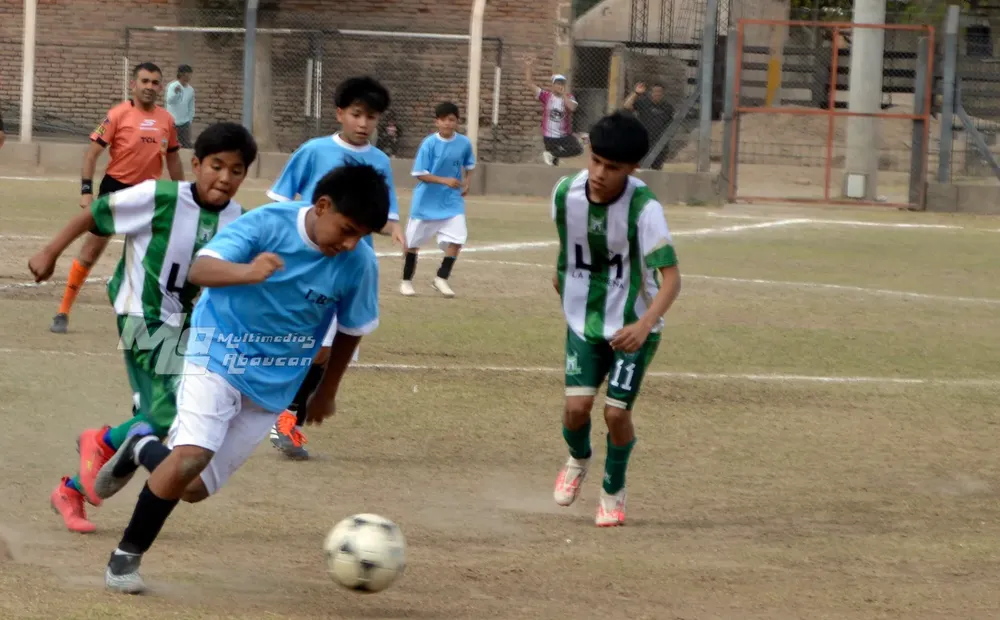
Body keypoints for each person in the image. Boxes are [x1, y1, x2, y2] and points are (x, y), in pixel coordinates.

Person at [94, 163, 389, 594]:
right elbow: (201, 269)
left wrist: (327, 390)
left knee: (192, 487)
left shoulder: (357, 262)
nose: (350, 243)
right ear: (322, 206)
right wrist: (247, 272)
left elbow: (350, 328)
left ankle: (142, 446)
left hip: (273, 384)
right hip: (215, 352)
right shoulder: (267, 225)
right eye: (346, 229)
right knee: (192, 455)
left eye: (361, 235)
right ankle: (125, 558)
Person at [29, 123, 257, 533]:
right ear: (196, 164)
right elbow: (96, 214)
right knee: (171, 411)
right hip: (142, 315)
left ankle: (73, 489)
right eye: (216, 166)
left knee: (165, 419)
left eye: (236, 170)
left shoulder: (240, 221)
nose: (224, 178)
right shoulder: (161, 197)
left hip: (188, 328)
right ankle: (100, 442)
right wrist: (49, 251)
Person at [549, 112, 682, 527]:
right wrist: (561, 282)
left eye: (613, 168)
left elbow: (672, 280)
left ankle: (613, 489)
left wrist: (644, 326)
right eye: (596, 161)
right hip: (583, 322)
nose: (599, 174)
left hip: (632, 328)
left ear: (633, 169)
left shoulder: (645, 210)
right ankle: (578, 458)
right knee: (576, 410)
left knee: (615, 414)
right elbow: (567, 249)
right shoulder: (564, 194)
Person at [265, 75, 403, 459]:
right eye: (356, 114)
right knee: (316, 351)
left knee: (327, 352)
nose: (363, 124)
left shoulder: (380, 162)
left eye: (371, 117)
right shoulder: (313, 151)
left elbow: (384, 215)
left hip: (351, 267)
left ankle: (286, 419)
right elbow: (280, 200)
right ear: (340, 113)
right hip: (311, 263)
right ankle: (284, 419)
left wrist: (395, 228)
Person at [51, 62, 184, 335]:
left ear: (161, 87)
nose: (149, 87)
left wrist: (184, 195)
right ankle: (63, 311)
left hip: (149, 195)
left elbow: (173, 158)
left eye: (155, 82)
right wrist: (86, 191)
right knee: (91, 251)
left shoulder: (167, 120)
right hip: (115, 190)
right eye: (144, 81)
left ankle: (149, 317)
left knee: (153, 255)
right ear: (133, 85)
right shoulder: (116, 115)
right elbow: (91, 155)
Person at [400, 101, 476, 298]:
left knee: (458, 238)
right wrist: (444, 180)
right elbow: (419, 173)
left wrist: (467, 182)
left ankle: (441, 278)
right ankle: (406, 280)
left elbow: (470, 165)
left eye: (452, 120)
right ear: (437, 122)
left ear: (457, 122)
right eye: (444, 120)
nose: (448, 124)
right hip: (426, 201)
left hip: (451, 201)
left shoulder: (464, 143)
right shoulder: (429, 144)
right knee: (413, 243)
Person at [524, 56, 582, 166]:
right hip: (549, 136)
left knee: (577, 149)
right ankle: (552, 158)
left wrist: (564, 94)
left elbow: (572, 107)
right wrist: (528, 67)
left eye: (562, 84)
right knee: (553, 163)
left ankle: (551, 154)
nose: (560, 85)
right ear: (553, 85)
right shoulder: (546, 96)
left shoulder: (569, 96)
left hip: (564, 136)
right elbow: (529, 84)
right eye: (558, 83)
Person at [623, 82, 675, 169]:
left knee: (656, 170)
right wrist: (636, 93)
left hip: (659, 145)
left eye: (659, 92)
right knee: (640, 168)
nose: (657, 94)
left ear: (663, 94)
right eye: (655, 91)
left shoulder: (668, 107)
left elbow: (670, 125)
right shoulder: (644, 103)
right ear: (651, 93)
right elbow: (626, 106)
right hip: (643, 142)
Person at [166, 65, 196, 149]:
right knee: (170, 146)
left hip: (184, 123)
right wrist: (176, 93)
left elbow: (191, 106)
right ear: (181, 74)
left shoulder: (190, 89)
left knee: (186, 146)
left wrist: (190, 120)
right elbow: (170, 101)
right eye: (187, 74)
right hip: (172, 122)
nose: (189, 76)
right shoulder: (173, 86)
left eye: (190, 74)